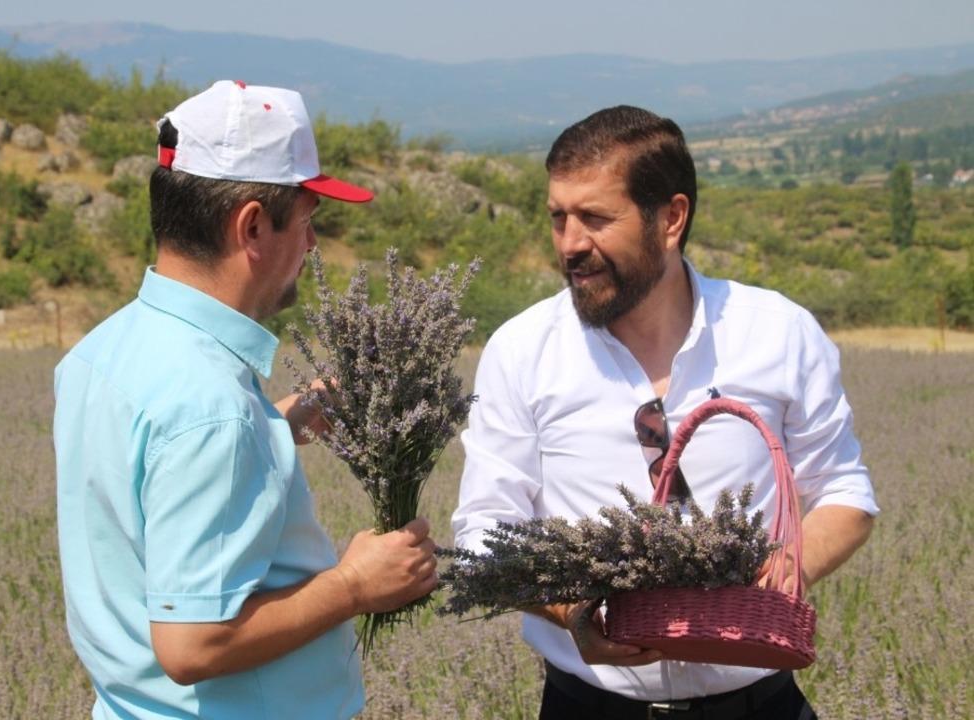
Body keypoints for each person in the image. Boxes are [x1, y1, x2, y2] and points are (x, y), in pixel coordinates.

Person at [450, 105, 878, 719]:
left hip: (759, 705)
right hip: (589, 706)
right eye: (558, 219)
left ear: (671, 218)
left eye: (596, 218)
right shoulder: (522, 350)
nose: (571, 244)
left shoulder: (779, 333)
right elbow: (487, 531)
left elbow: (845, 494)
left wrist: (776, 576)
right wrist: (573, 611)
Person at [53, 80, 438, 720]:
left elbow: (147, 487)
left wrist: (273, 425)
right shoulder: (210, 409)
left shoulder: (101, 351)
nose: (311, 246)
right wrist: (354, 585)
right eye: (309, 222)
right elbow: (194, 645)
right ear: (252, 225)